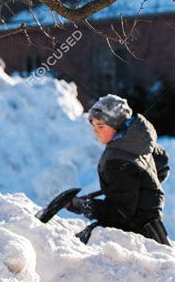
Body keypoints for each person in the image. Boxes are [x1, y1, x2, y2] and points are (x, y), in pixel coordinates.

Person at [68, 94, 171, 245]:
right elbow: (162, 164)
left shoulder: (118, 160)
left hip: (136, 239)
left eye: (101, 126)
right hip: (152, 230)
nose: (95, 131)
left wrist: (83, 205)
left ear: (117, 125)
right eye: (94, 126)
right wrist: (141, 187)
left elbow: (120, 214)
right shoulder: (138, 144)